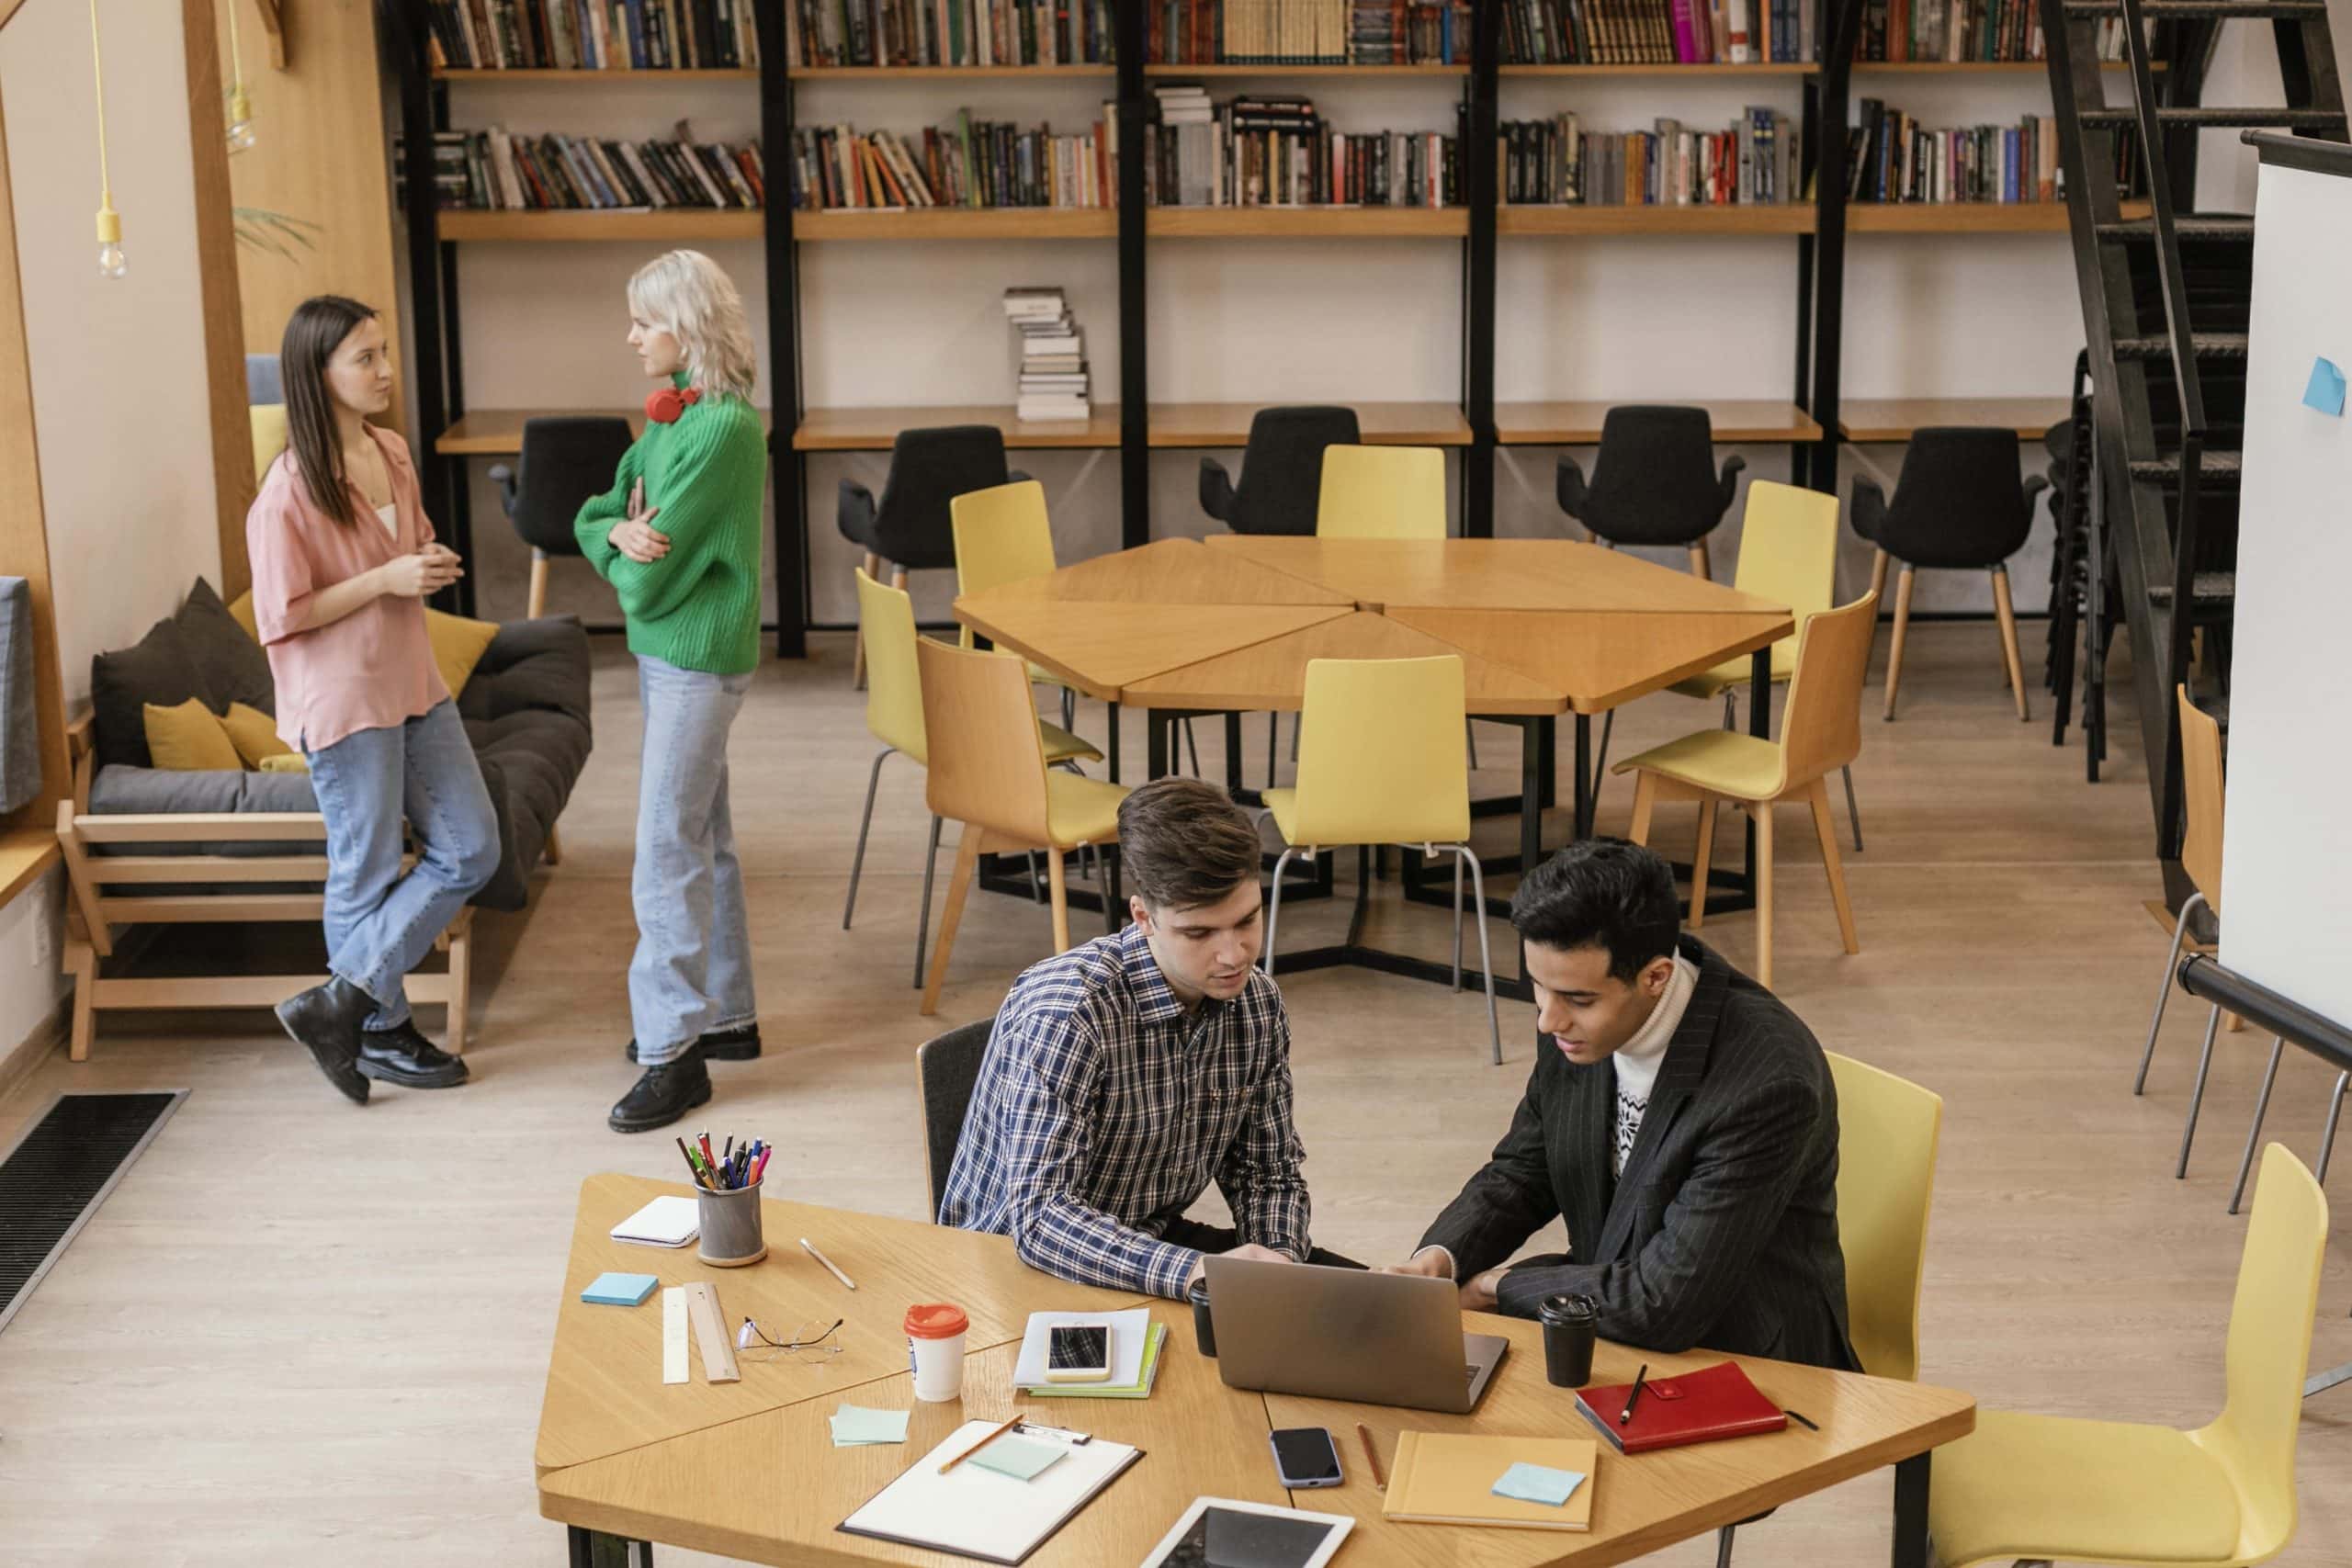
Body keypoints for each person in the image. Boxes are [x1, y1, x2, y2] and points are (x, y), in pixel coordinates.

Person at [1392, 838, 1859, 1370]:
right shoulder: (1573, 1010)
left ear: (1656, 976)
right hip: (1613, 1308)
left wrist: (1499, 1286)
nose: (1548, 1019)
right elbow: (1525, 1169)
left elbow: (1666, 1301)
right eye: (1538, 988)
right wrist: (1442, 1260)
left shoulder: (1767, 1083)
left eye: (1577, 1000)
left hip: (1742, 1353)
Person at [940, 778, 1357, 1298]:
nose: (1234, 955)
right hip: (1015, 1270)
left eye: (1247, 920)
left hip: (1146, 1241)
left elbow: (1267, 1174)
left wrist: (1276, 1266)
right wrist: (1194, 1274)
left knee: (1377, 1313)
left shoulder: (1258, 1004)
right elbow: (1041, 1218)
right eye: (1200, 933)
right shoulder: (1071, 1011)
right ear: (1144, 918)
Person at [254, 296, 500, 1105]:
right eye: (365, 358)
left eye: (384, 352)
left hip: (413, 678)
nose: (385, 369)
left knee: (471, 846)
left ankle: (342, 1002)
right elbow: (282, 614)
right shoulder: (288, 490)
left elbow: (408, 542)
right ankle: (381, 1030)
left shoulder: (392, 450)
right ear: (317, 375)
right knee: (360, 871)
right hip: (343, 698)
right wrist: (386, 580)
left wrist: (425, 561)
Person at [575, 250, 770, 1134]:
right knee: (704, 834)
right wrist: (620, 528)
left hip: (694, 658)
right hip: (665, 656)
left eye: (642, 322)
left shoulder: (721, 429)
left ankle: (671, 1053)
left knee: (663, 846)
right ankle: (723, 1017)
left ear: (685, 330)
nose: (629, 338)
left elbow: (649, 587)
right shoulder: (666, 420)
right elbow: (592, 513)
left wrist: (623, 559)